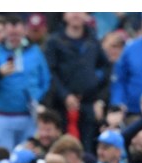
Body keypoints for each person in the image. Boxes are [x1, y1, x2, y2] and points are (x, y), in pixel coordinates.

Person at [0, 14, 51, 150]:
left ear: (24, 31)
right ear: (5, 32)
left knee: (28, 160)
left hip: (30, 117)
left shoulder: (35, 51)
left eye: (17, 34)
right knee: (2, 160)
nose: (14, 38)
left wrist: (39, 100)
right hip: (1, 117)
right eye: (11, 34)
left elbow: (46, 80)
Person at [44, 12, 110, 153]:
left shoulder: (93, 40)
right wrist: (65, 95)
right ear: (64, 15)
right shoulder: (54, 41)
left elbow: (105, 67)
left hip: (87, 104)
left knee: (87, 149)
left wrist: (99, 98)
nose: (76, 14)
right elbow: (50, 72)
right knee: (62, 149)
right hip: (60, 106)